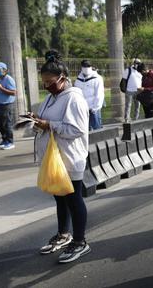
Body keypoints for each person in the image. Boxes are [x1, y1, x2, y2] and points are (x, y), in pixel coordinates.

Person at [32, 50, 90, 263]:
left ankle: (80, 241)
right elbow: (46, 121)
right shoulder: (50, 98)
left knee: (73, 199)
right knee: (59, 197)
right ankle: (64, 234)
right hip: (53, 158)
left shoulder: (73, 98)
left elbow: (76, 129)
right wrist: (36, 122)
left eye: (50, 81)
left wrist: (49, 125)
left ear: (63, 78)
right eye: (44, 82)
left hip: (70, 157)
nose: (46, 85)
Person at [74, 60, 104, 130]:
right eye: (84, 66)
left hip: (94, 108)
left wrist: (96, 107)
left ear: (91, 67)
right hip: (82, 108)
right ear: (81, 67)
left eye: (88, 66)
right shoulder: (78, 79)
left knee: (96, 129)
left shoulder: (97, 78)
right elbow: (76, 93)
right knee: (85, 130)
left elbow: (99, 94)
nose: (86, 68)